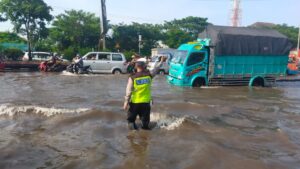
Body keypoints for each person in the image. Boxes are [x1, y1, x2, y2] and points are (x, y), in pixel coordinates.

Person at [123, 56, 165, 130]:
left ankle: (133, 135)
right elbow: (156, 69)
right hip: (146, 103)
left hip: (135, 103)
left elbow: (128, 91)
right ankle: (145, 137)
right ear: (144, 66)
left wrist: (126, 102)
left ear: (136, 67)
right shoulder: (149, 75)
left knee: (131, 121)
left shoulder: (132, 77)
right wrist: (161, 62)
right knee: (145, 122)